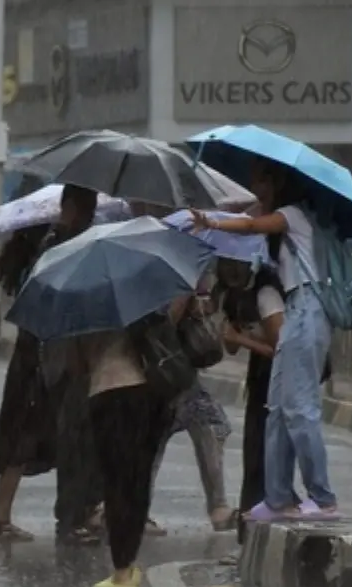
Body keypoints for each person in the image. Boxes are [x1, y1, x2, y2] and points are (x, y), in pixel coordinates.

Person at [192, 157, 340, 520]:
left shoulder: (293, 215)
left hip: (308, 308)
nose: (256, 189)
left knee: (300, 409)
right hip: (297, 309)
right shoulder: (279, 226)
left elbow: (251, 225)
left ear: (277, 184)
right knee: (276, 409)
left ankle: (322, 498)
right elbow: (251, 222)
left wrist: (212, 221)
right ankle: (277, 497)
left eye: (261, 181)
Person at [50, 307, 182, 587]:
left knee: (116, 484)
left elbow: (77, 367)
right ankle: (129, 561)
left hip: (107, 394)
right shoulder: (138, 303)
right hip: (147, 392)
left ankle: (122, 570)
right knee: (137, 480)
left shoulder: (82, 311)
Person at [130, 200, 234, 534]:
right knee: (186, 427)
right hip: (165, 367)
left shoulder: (167, 260)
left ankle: (139, 509)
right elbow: (169, 319)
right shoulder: (171, 266)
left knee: (181, 429)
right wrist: (187, 296)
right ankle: (214, 507)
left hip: (172, 369)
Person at [219, 259, 306, 542]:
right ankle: (252, 529)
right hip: (259, 383)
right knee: (255, 456)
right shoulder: (234, 295)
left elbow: (282, 349)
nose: (230, 269)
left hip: (281, 381)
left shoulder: (266, 293)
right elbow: (231, 346)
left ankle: (279, 518)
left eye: (235, 264)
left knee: (265, 456)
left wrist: (243, 340)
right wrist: (229, 333)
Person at [43, 184, 106, 545]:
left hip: (82, 355)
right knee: (73, 441)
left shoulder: (88, 243)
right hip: (68, 356)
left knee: (87, 441)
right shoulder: (58, 246)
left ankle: (83, 509)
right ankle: (70, 516)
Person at [0, 224, 54, 542]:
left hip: (26, 359)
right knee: (22, 439)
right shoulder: (40, 267)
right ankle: (1, 518)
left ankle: (2, 516)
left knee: (17, 436)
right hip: (37, 359)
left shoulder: (24, 262)